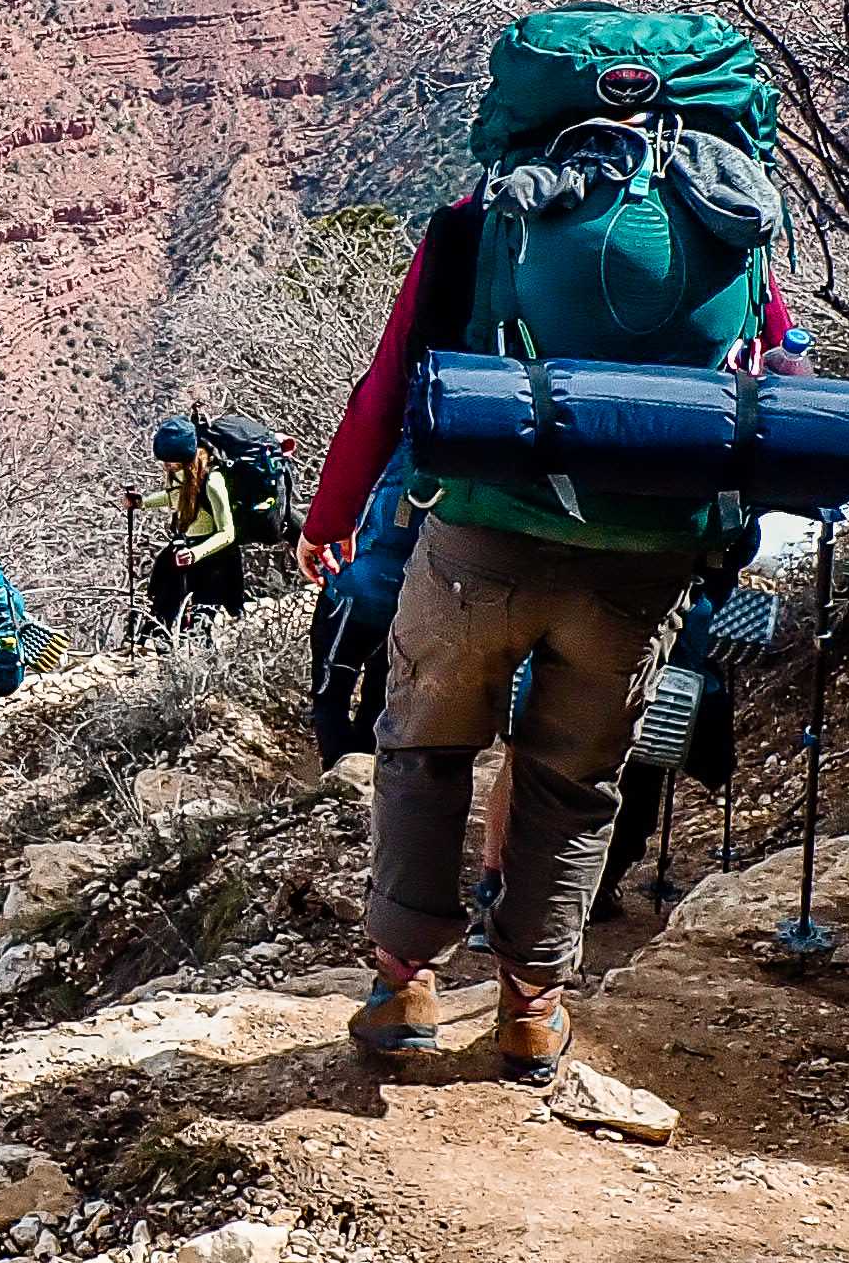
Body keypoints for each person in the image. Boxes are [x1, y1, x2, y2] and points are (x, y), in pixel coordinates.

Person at [299, 197, 802, 1083]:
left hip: (482, 542)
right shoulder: (727, 217)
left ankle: (402, 990)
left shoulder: (481, 214)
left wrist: (332, 513)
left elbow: (388, 380)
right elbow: (777, 377)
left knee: (423, 744)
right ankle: (532, 1011)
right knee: (575, 779)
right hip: (643, 562)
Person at [591, 555, 752, 921]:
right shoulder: (703, 582)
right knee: (635, 805)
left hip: (599, 686)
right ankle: (599, 887)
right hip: (666, 704)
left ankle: (579, 890)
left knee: (584, 794)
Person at [305, 451, 424, 763]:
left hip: (353, 592)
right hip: (408, 595)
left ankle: (338, 776)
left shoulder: (383, 453)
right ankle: (365, 774)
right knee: (380, 691)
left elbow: (341, 513)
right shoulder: (454, 464)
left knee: (330, 691)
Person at [143, 420, 247, 631]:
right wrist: (142, 503)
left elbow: (227, 533)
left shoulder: (212, 481)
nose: (166, 467)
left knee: (202, 621)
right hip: (190, 549)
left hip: (216, 558)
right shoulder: (181, 475)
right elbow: (176, 496)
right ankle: (163, 650)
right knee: (163, 604)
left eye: (171, 463)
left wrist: (195, 553)